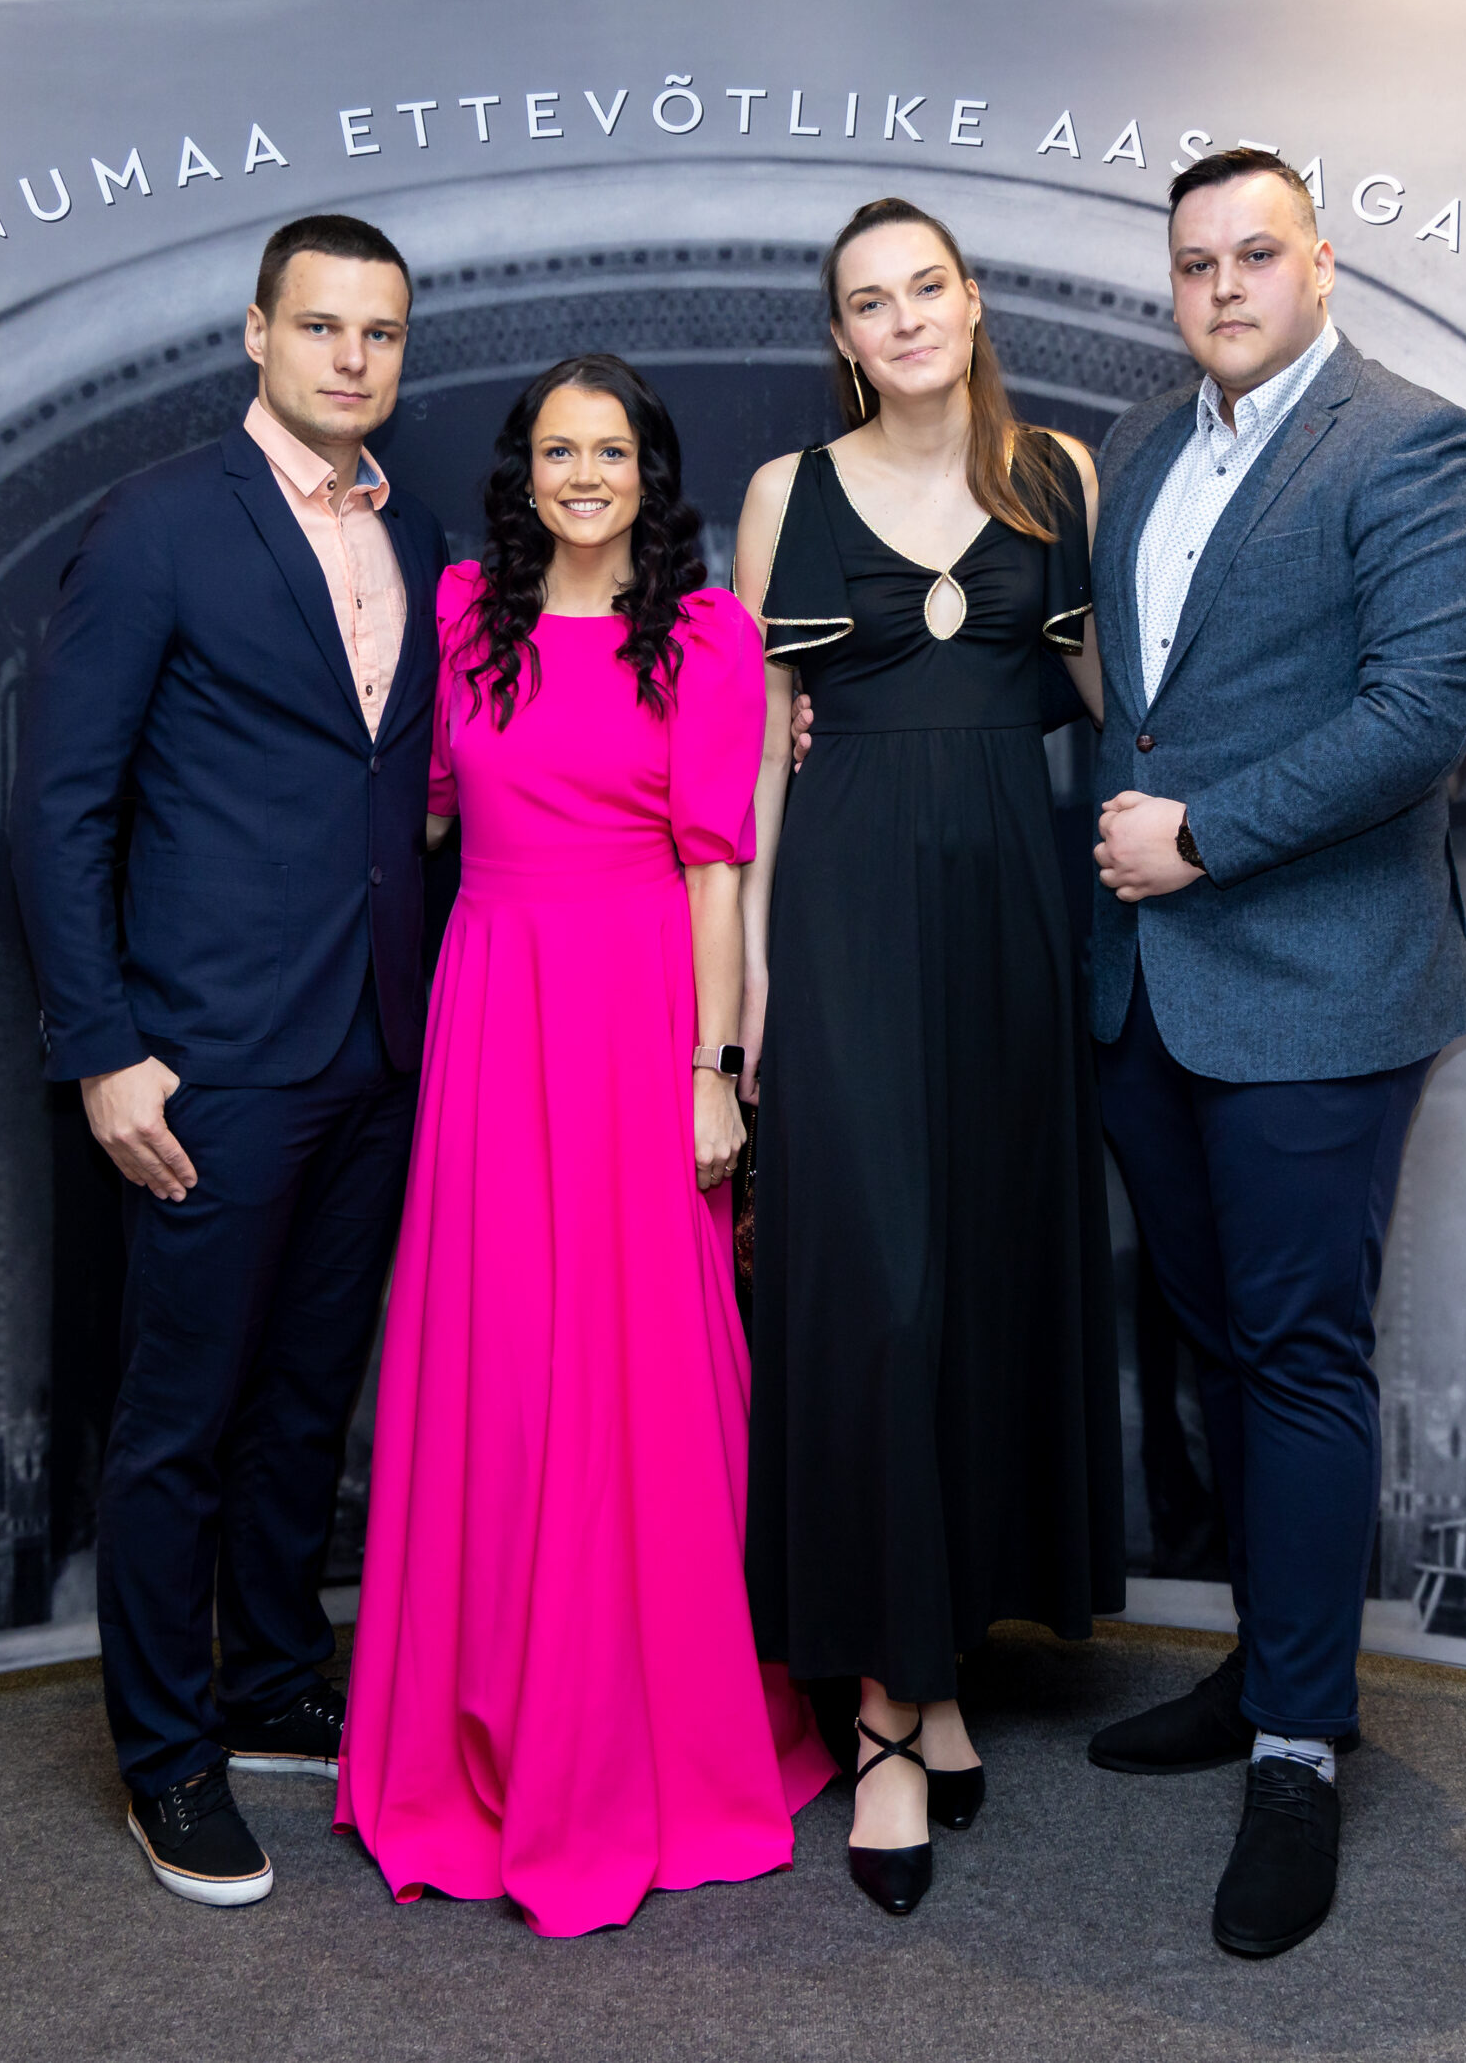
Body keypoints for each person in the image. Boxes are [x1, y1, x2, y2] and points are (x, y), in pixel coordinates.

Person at [338, 354, 836, 1937]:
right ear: (525, 469)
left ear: (649, 471)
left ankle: (648, 1736)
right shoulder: (465, 609)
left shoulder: (706, 633)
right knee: (497, 1362)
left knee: (639, 1367)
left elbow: (714, 870)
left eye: (610, 450)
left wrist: (713, 1069)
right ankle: (478, 1732)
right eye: (558, 449)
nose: (583, 473)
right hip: (492, 1009)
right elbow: (417, 811)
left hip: (636, 1013)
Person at [1083, 147, 1466, 1958]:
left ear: (1319, 263)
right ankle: (1265, 1665)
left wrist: (1201, 833)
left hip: (1321, 984)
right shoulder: (1137, 447)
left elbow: (1421, 712)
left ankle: (1296, 1750)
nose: (1224, 286)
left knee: (1303, 1359)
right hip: (1149, 992)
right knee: (1222, 1354)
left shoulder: (1412, 443)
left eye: (1256, 255)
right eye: (1196, 263)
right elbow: (1129, 687)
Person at [9, 214, 445, 1907]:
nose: (351, 356)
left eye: (379, 332)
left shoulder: (414, 536)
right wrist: (105, 1048)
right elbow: (63, 803)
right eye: (321, 325)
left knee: (303, 1400)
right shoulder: (161, 523)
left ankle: (267, 1677)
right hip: (208, 1056)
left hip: (375, 1043)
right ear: (258, 332)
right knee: (178, 1420)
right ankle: (166, 1753)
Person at [737, 198, 1125, 1919]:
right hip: (841, 916)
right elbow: (758, 751)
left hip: (1014, 922)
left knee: (974, 1283)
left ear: (971, 305)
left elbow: (1115, 694)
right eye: (868, 301)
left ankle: (940, 1653)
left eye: (926, 288)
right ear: (842, 335)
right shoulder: (789, 491)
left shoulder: (1059, 478)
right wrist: (748, 984)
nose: (902, 319)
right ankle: (887, 1714)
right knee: (879, 1292)